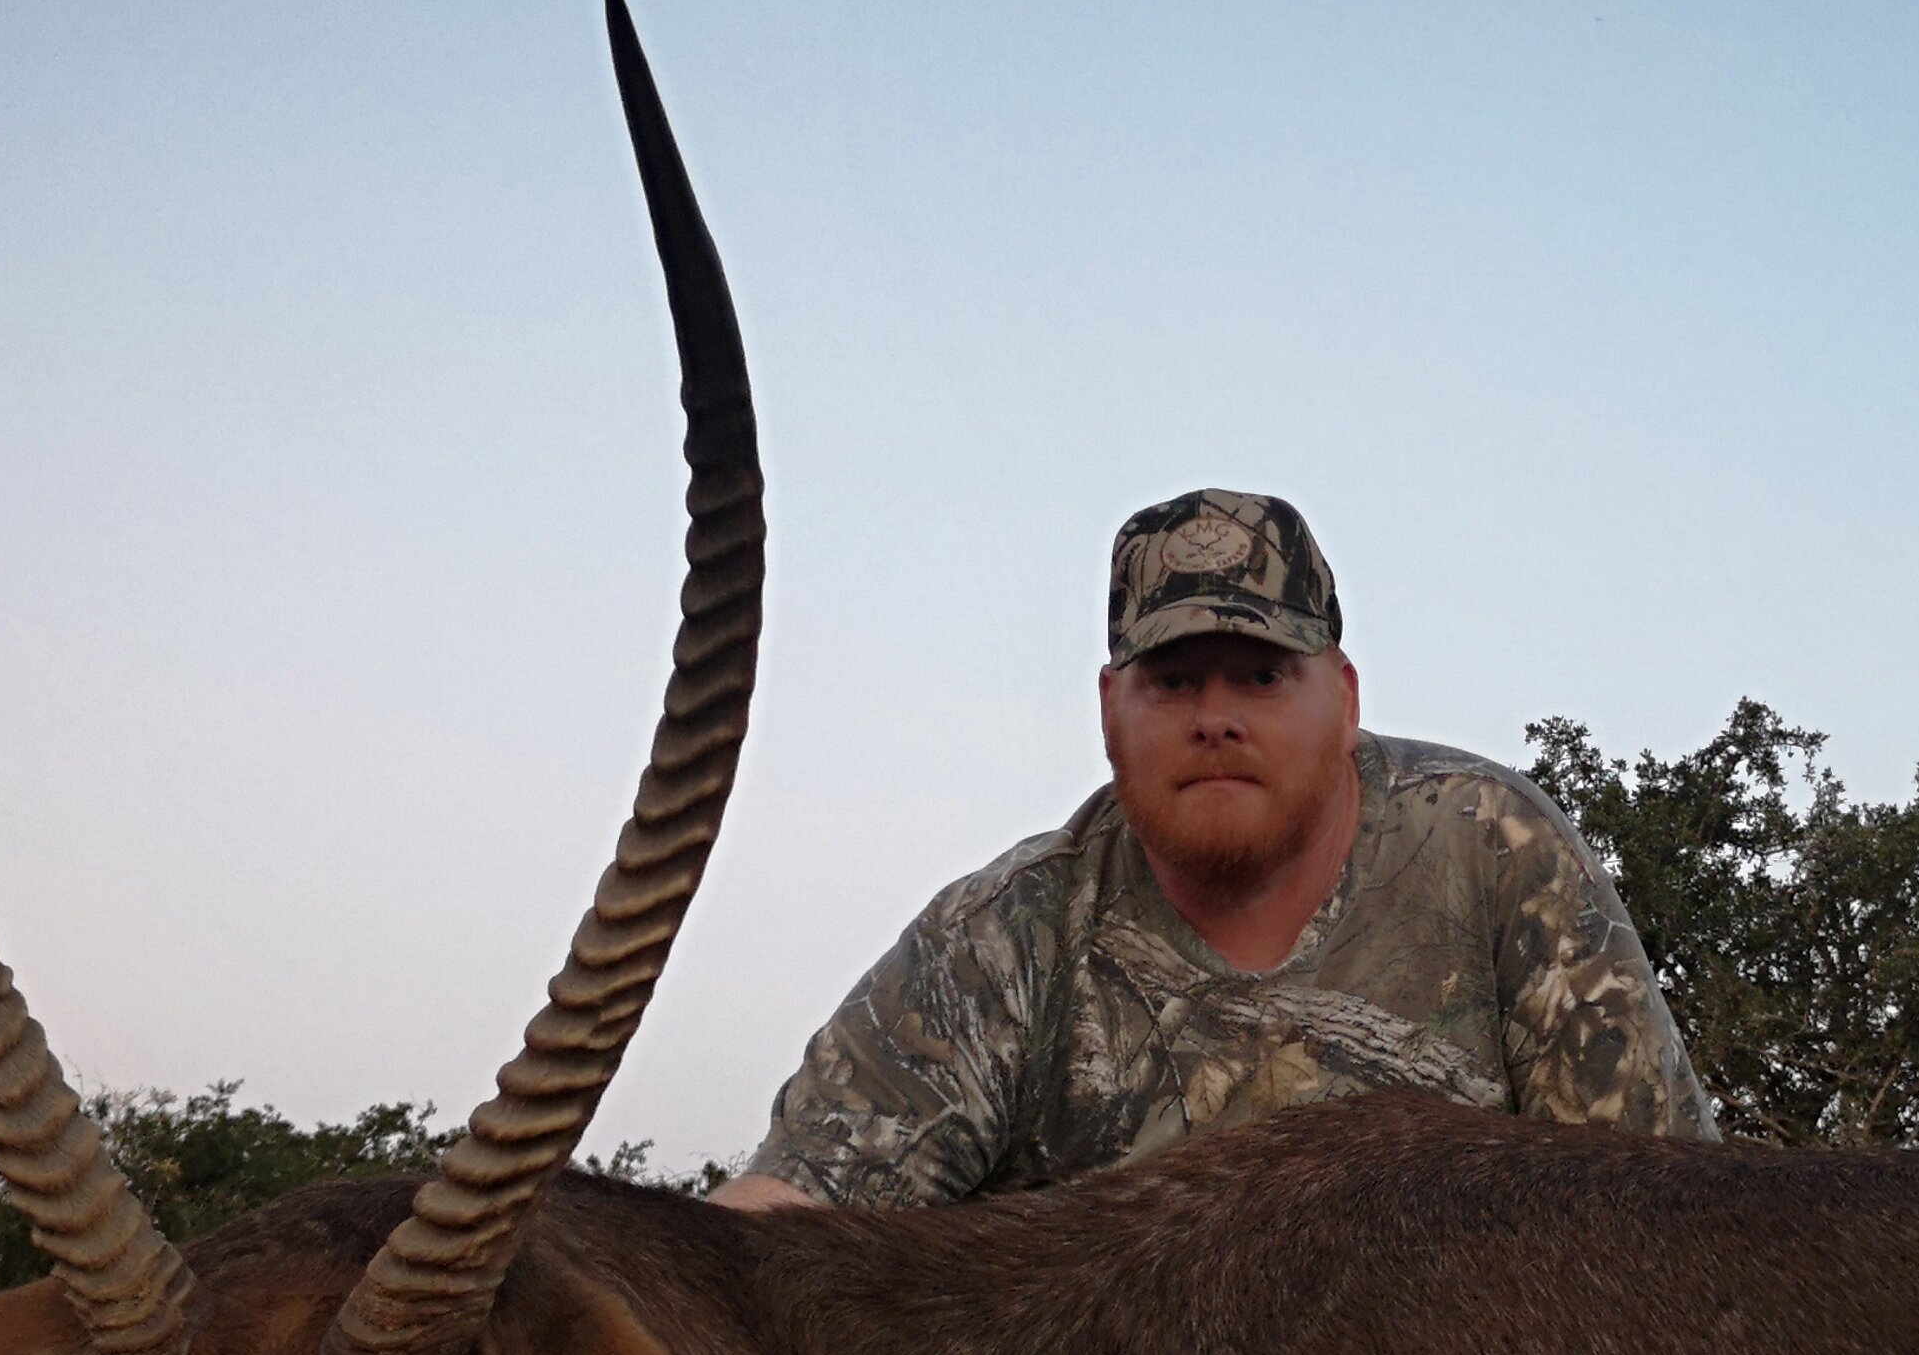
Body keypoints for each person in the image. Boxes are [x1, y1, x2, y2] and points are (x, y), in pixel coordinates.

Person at [716, 488, 1715, 1210]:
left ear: (1345, 699)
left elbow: (1667, 1217)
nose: (1215, 718)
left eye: (1261, 677)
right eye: (1173, 682)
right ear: (1111, 712)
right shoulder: (1001, 939)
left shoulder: (1495, 849)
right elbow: (786, 1229)